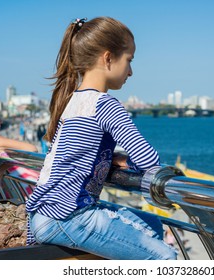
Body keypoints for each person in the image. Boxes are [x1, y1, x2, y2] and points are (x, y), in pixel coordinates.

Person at [26, 17, 177, 260]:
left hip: (46, 212)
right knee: (164, 259)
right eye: (129, 60)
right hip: (68, 215)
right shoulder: (104, 105)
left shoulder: (73, 101)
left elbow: (75, 152)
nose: (130, 71)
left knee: (154, 226)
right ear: (108, 58)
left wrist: (107, 158)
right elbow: (149, 159)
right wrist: (127, 163)